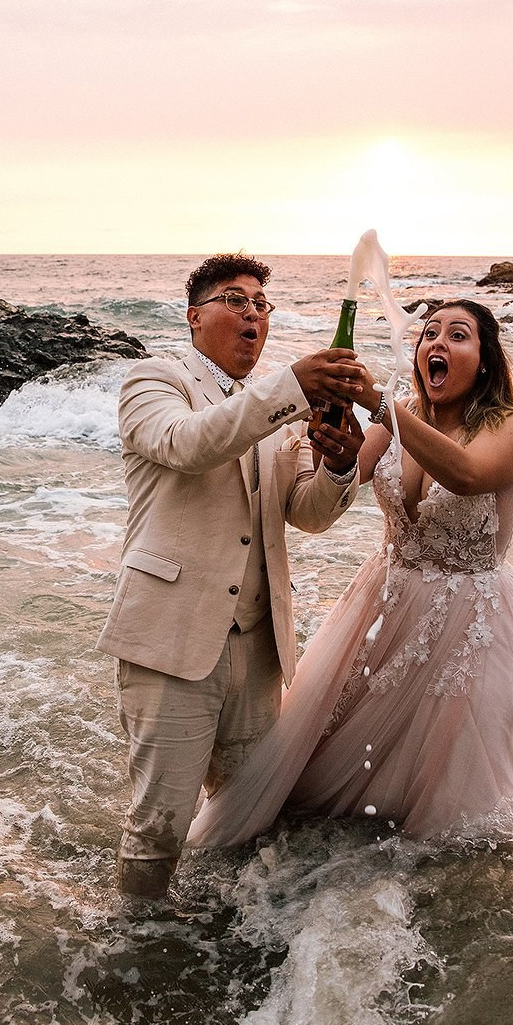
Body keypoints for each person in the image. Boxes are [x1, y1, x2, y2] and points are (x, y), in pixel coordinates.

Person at [186, 298, 513, 850]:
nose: (438, 343)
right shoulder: (406, 410)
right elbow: (338, 479)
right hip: (384, 595)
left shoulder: (508, 427)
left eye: (458, 336)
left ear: (484, 361)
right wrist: (325, 440)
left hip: (470, 612)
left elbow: (467, 474)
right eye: (429, 333)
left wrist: (379, 405)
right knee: (315, 755)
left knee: (450, 786)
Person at [97, 253, 370, 902]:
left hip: (258, 648)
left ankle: (226, 940)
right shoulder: (154, 381)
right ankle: (136, 950)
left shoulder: (274, 406)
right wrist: (291, 389)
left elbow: (304, 512)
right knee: (158, 825)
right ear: (194, 317)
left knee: (246, 821)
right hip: (171, 641)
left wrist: (338, 467)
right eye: (235, 300)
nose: (253, 313)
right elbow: (189, 444)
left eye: (261, 305)